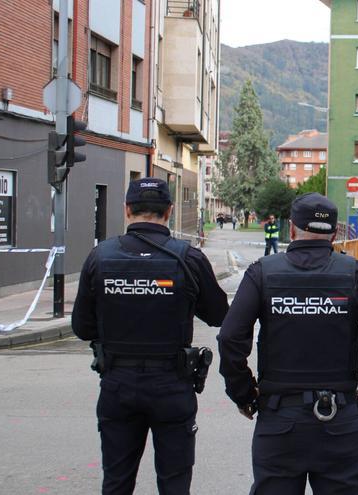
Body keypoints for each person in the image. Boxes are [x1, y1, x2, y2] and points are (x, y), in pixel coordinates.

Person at [218, 192, 358, 494]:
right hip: (340, 422)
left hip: (279, 420)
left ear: (293, 229)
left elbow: (231, 337)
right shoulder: (356, 274)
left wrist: (243, 393)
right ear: (334, 233)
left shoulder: (263, 272)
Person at [71, 177, 229, 494]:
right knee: (174, 483)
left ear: (128, 210)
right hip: (171, 385)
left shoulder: (100, 257)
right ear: (169, 211)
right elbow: (218, 314)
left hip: (118, 384)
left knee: (116, 481)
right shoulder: (188, 258)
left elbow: (82, 327)